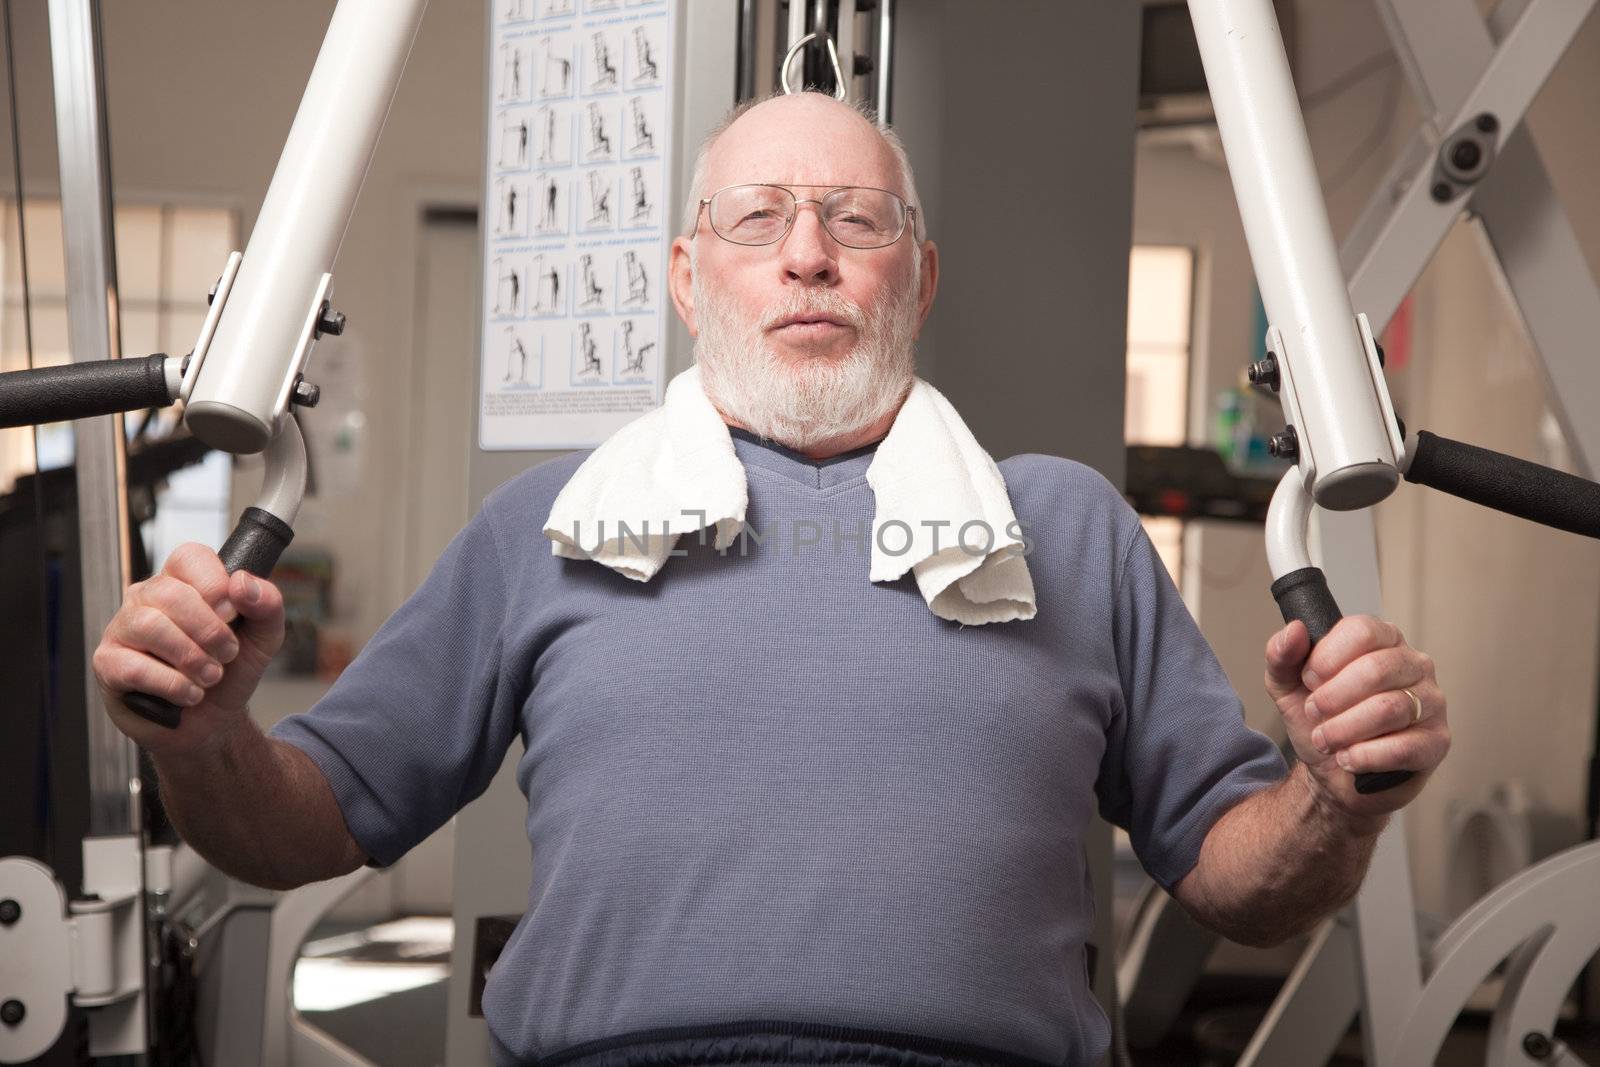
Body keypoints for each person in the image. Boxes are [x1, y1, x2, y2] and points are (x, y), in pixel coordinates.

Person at [92, 91, 1450, 1067]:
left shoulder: (1070, 528)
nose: (807, 253)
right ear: (691, 278)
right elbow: (302, 828)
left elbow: (1238, 879)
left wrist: (1333, 794)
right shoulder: (546, 526)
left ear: (916, 276)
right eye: (757, 220)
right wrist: (205, 741)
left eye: (855, 219)